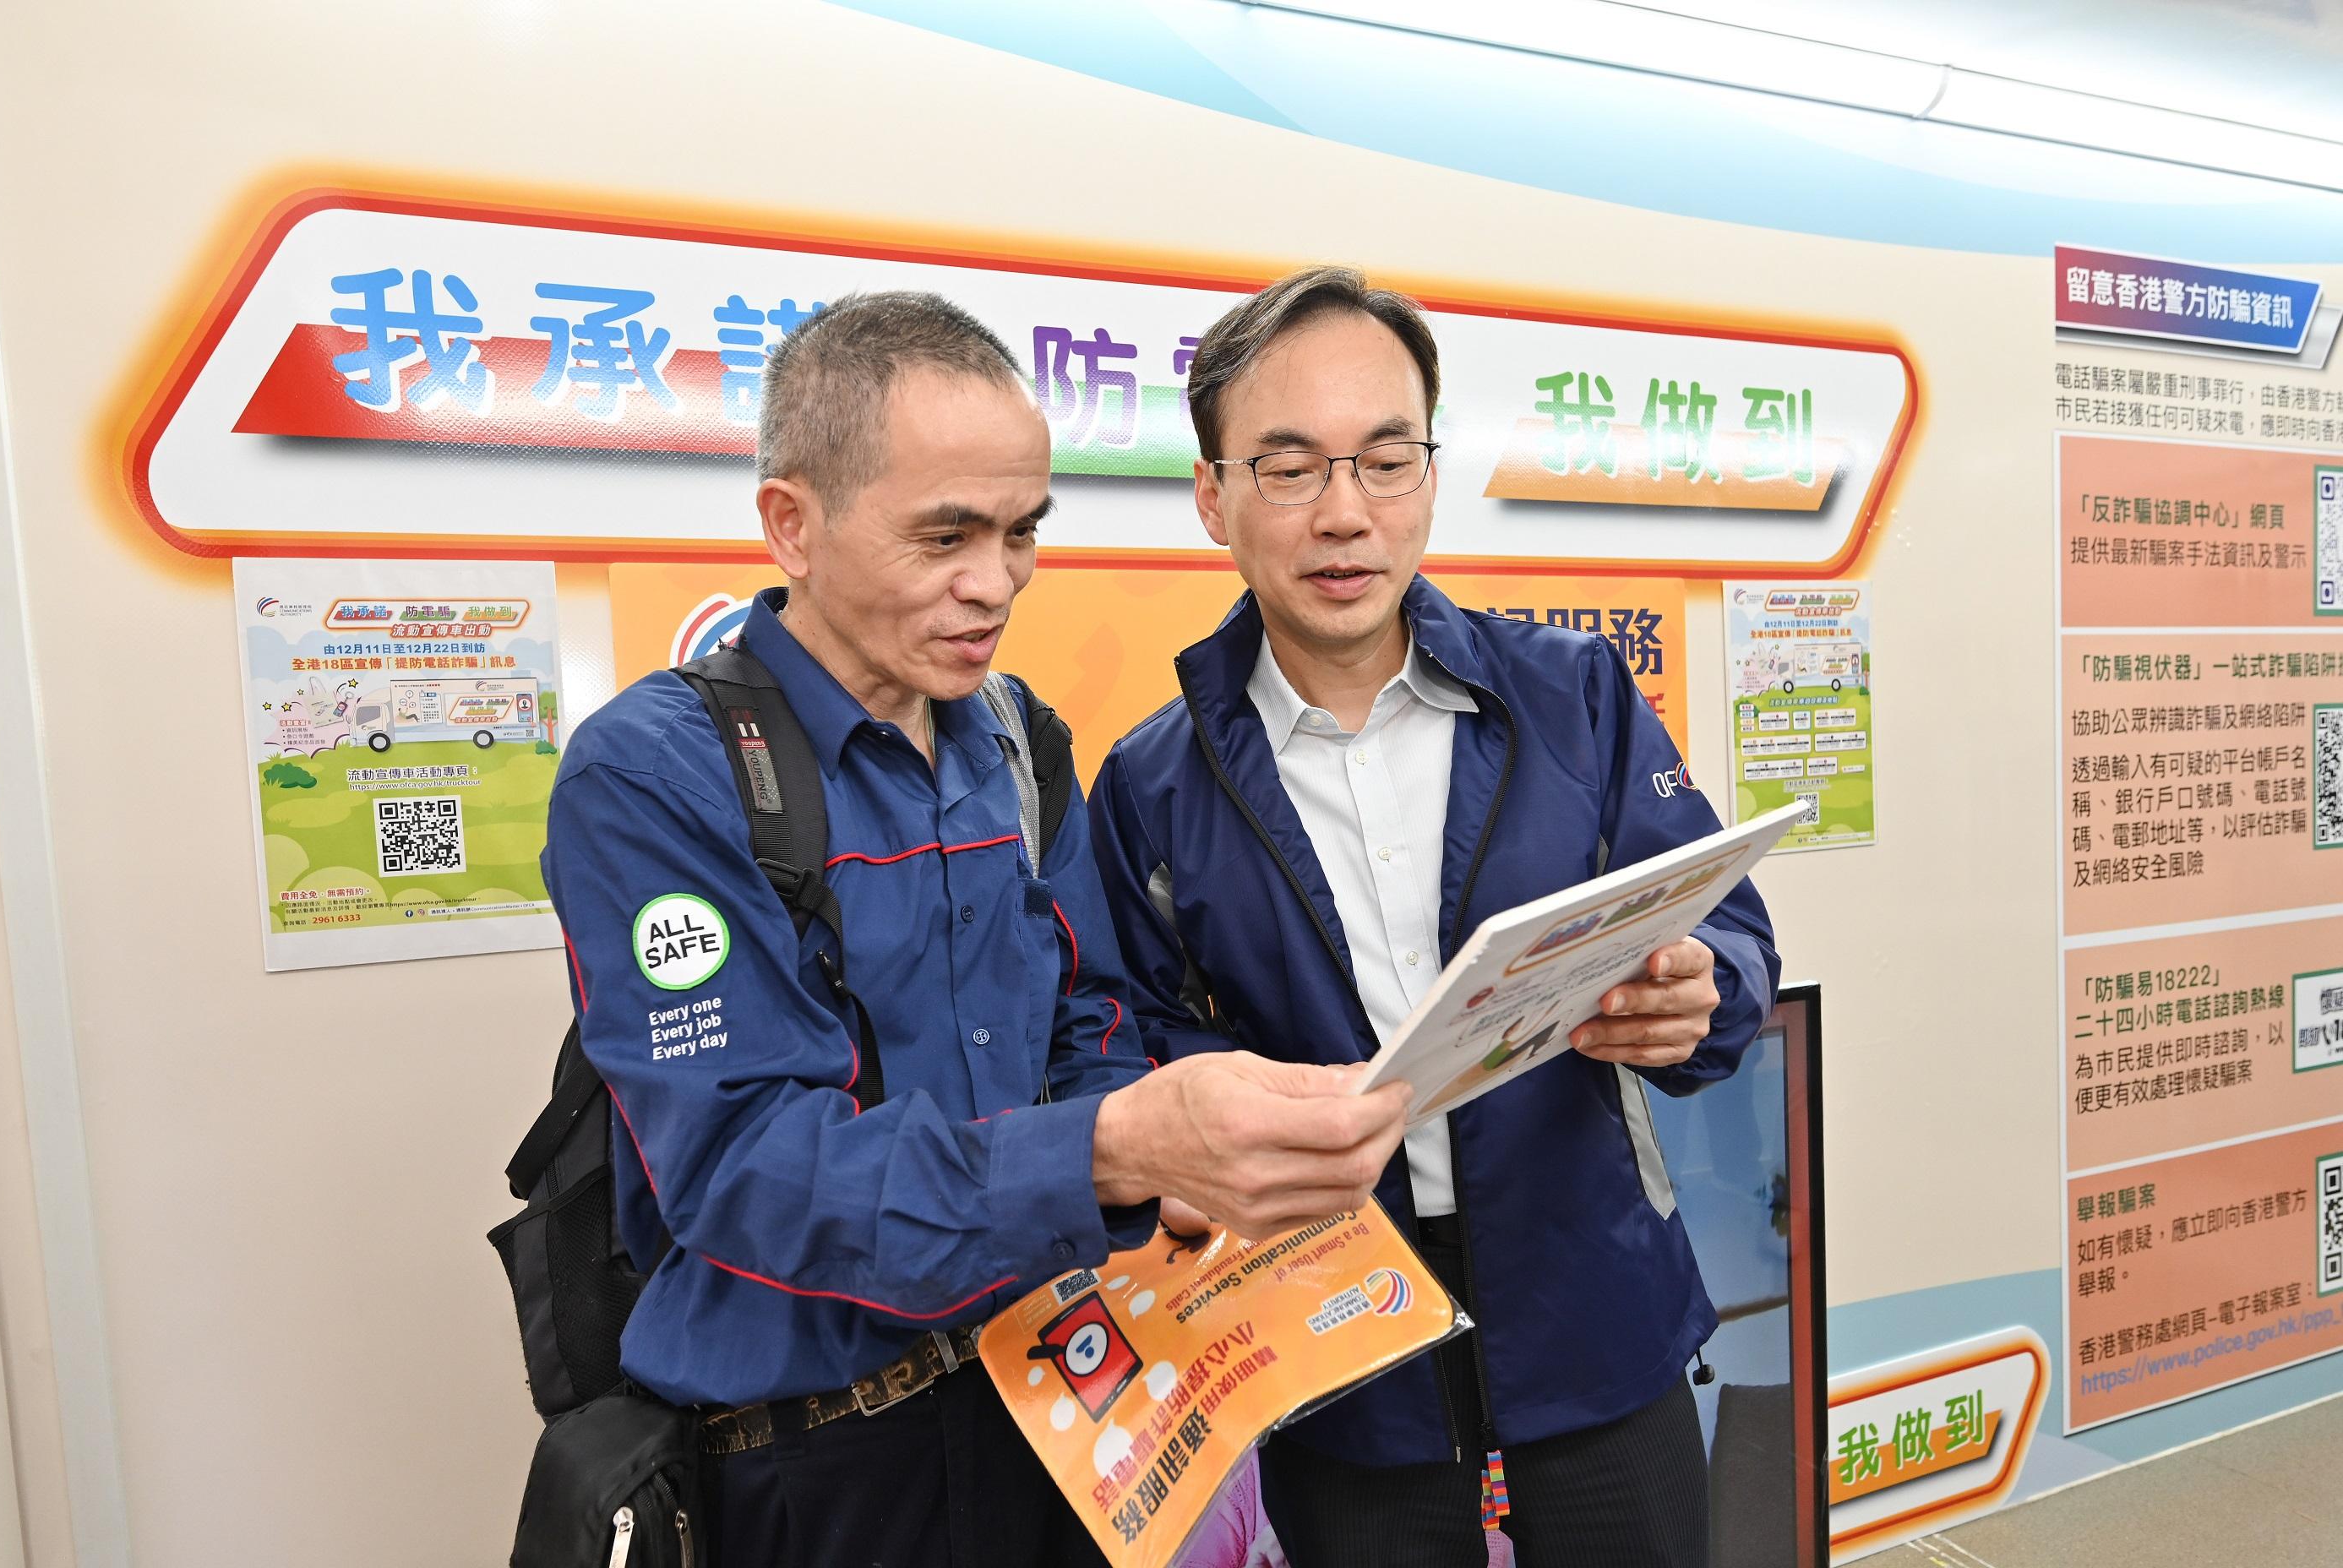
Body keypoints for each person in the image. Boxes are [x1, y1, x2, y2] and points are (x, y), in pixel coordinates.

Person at [542, 290, 1412, 1566]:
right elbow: (745, 1168)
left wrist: (1180, 1145)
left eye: (1021, 533)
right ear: (793, 522)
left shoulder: (1017, 742)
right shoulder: (657, 775)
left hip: (1059, 1416)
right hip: (815, 1468)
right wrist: (1111, 1150)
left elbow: (1091, 1018)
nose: (992, 584)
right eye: (945, 535)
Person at [1088, 267, 1782, 1567]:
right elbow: (1130, 1045)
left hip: (1595, 1312)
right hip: (1335, 1350)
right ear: (1212, 496)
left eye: (1385, 460)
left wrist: (1705, 988)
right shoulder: (1148, 783)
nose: (1345, 513)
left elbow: (1730, 926)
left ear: (1430, 473)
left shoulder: (1574, 696)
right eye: (1288, 468)